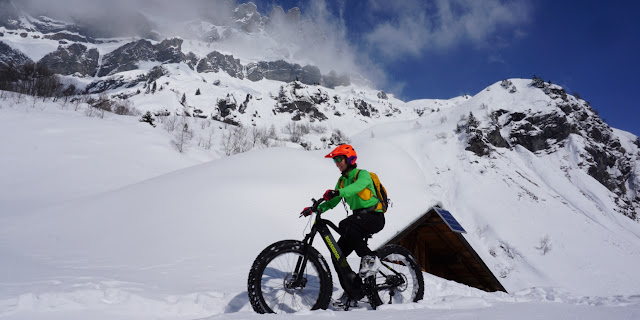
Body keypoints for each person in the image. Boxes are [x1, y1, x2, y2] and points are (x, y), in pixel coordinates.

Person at [300, 144, 385, 280]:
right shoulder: (341, 181)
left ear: (349, 159)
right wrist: (316, 209)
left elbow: (357, 187)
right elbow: (333, 201)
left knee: (345, 224)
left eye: (339, 159)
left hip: (374, 217)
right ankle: (354, 290)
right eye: (335, 160)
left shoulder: (362, 174)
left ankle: (370, 259)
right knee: (337, 255)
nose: (337, 163)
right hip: (357, 222)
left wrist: (338, 192)